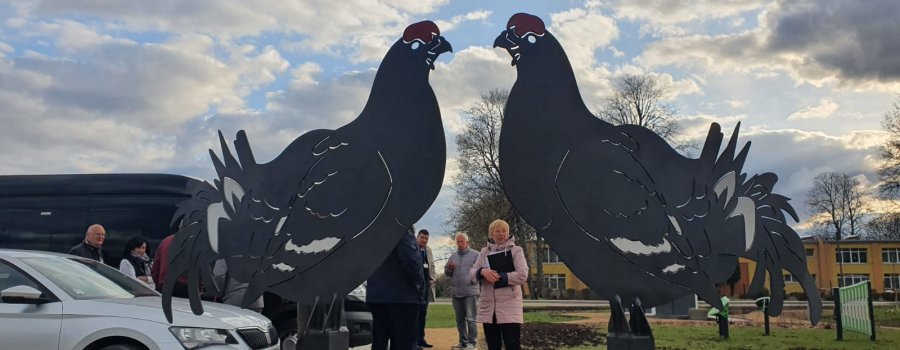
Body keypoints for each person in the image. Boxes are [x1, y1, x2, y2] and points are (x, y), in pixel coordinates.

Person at [469, 219, 528, 350]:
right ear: (491, 234)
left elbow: (523, 275)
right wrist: (482, 271)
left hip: (510, 305)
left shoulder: (516, 250)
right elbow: (472, 274)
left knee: (512, 345)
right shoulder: (484, 252)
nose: (501, 234)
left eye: (504, 231)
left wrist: (501, 277)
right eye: (498, 231)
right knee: (493, 345)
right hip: (489, 307)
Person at [367, 226, 424, 350]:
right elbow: (410, 260)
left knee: (379, 342)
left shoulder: (372, 231)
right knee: (404, 343)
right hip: (402, 296)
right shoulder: (401, 226)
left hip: (376, 294)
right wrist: (419, 282)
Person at [445, 232, 479, 349]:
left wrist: (472, 280)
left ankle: (472, 343)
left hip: (470, 292)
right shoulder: (453, 256)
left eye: (462, 241)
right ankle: (463, 342)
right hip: (456, 293)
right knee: (460, 320)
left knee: (471, 319)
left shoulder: (476, 255)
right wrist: (449, 268)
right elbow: (447, 273)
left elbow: (480, 272)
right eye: (458, 242)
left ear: (467, 242)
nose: (459, 244)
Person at [416, 229, 436, 349]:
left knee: (422, 314)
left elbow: (432, 265)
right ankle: (413, 341)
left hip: (426, 288)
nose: (424, 240)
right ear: (417, 237)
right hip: (415, 288)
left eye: (426, 239)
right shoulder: (412, 248)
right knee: (414, 314)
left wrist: (433, 279)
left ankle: (420, 339)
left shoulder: (428, 250)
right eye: (422, 237)